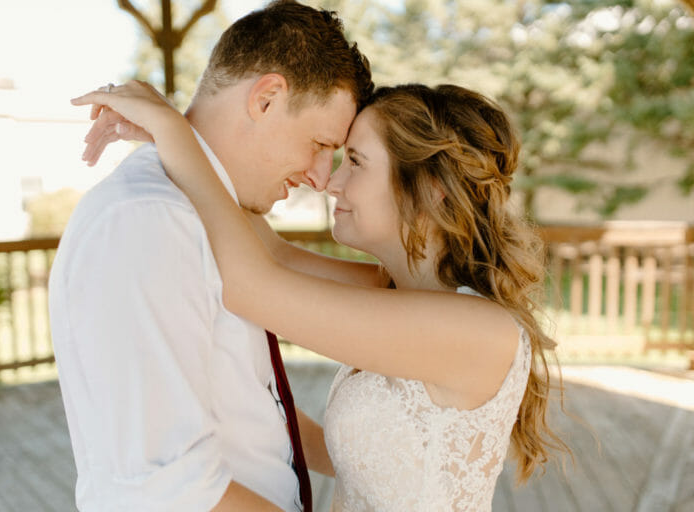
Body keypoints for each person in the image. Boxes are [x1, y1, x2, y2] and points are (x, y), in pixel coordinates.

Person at [72, 79, 570, 511]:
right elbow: (271, 253)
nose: (331, 182)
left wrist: (172, 130)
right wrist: (192, 131)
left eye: (355, 161)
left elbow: (251, 286)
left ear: (431, 188)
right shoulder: (391, 294)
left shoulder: (476, 331)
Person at [49, 1, 373, 511]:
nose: (319, 175)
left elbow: (251, 404)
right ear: (266, 99)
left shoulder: (214, 217)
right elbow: (168, 488)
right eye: (319, 143)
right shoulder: (150, 221)